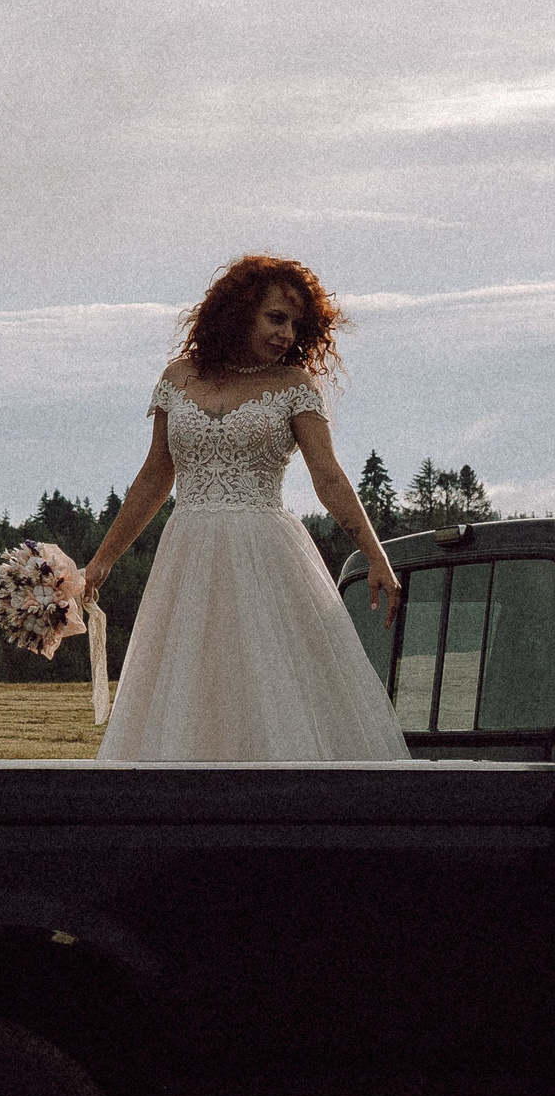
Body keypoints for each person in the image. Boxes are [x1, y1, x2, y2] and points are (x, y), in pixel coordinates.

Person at [81, 255, 410, 762]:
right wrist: (103, 560)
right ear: (239, 311)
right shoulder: (177, 378)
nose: (286, 334)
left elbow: (328, 476)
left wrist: (375, 555)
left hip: (267, 556)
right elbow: (155, 475)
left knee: (271, 686)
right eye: (276, 318)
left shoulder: (296, 385)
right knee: (189, 687)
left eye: (295, 324)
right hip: (187, 555)